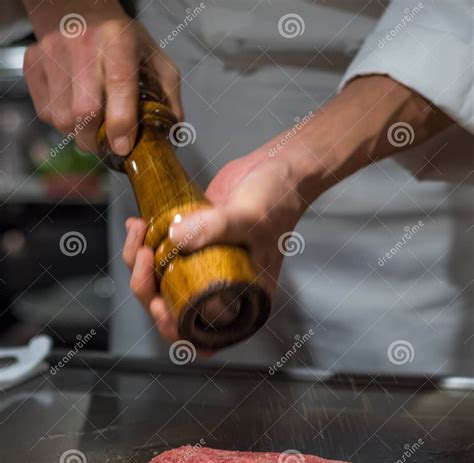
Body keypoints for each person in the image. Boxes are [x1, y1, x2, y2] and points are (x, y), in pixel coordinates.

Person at [19, 0, 474, 374]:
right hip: (174, 87)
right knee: (182, 430)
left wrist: (291, 171)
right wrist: (72, 12)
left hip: (401, 156)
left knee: (401, 438)